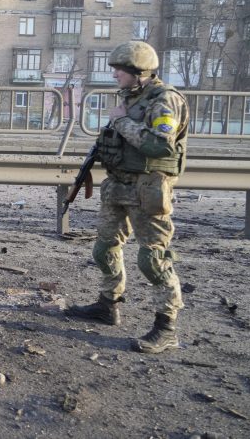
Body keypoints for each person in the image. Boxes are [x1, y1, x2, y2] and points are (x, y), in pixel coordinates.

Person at [66, 41, 189, 354]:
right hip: (118, 184)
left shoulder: (165, 100)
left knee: (152, 259)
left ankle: (167, 326)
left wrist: (120, 120)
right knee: (104, 249)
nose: (115, 74)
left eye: (120, 69)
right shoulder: (129, 97)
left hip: (148, 189)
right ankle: (107, 305)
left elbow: (159, 144)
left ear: (140, 72)